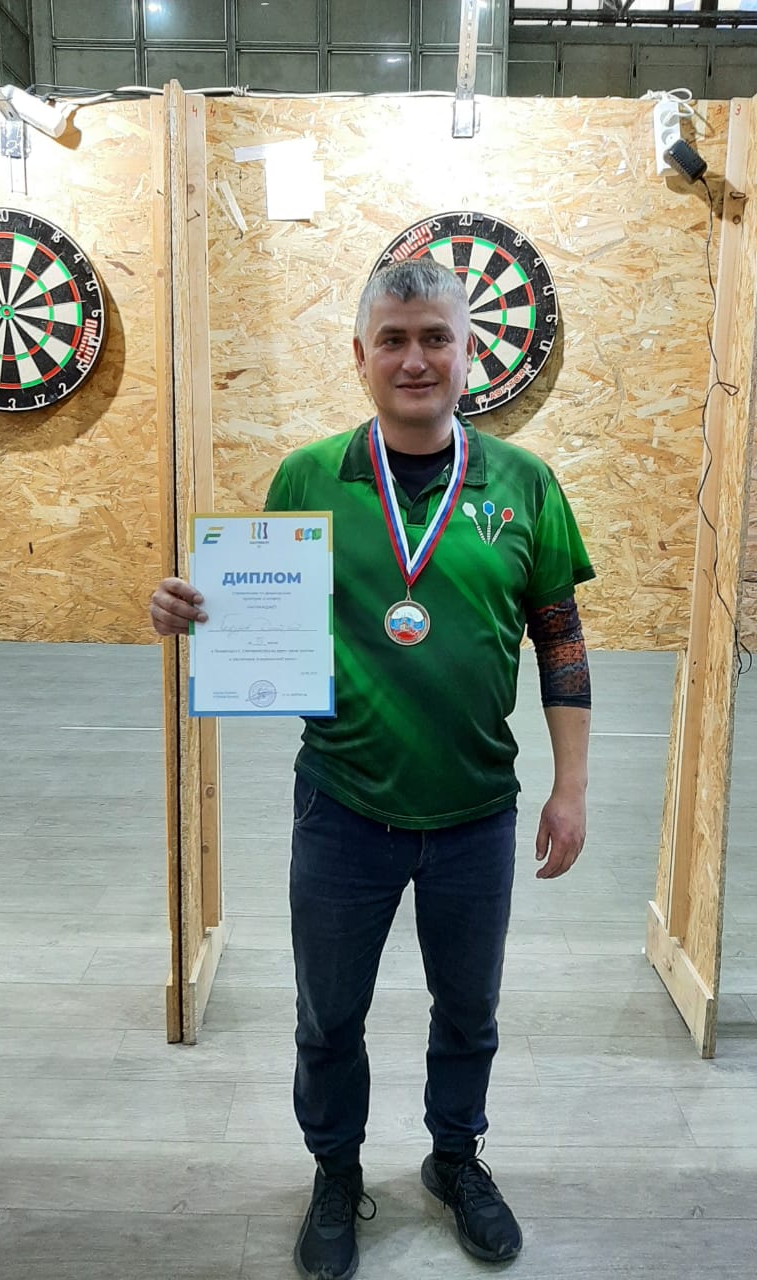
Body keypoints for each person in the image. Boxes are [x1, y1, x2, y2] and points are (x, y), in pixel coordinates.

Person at [150, 258, 594, 1280]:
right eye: (393, 339)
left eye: (436, 337)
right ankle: (335, 1169)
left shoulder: (524, 483)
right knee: (328, 1014)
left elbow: (562, 640)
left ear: (468, 352)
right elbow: (258, 614)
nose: (415, 358)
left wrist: (571, 788)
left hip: (476, 810)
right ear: (360, 355)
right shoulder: (309, 478)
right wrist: (188, 611)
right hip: (343, 806)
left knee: (469, 1012)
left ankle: (454, 1159)